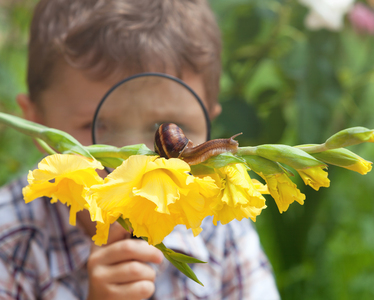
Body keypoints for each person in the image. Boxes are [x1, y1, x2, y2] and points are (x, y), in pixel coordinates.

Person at [0, 0, 280, 299]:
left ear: (207, 121)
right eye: (102, 128)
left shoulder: (222, 228)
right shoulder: (11, 239)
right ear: (38, 125)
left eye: (165, 125)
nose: (136, 160)